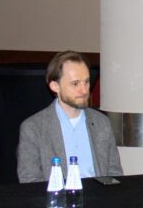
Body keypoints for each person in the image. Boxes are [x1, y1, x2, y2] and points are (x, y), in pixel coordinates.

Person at [17, 51, 122, 182]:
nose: (84, 90)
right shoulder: (34, 128)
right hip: (56, 195)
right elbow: (30, 181)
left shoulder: (101, 122)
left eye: (86, 82)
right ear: (55, 86)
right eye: (75, 84)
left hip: (99, 194)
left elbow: (114, 174)